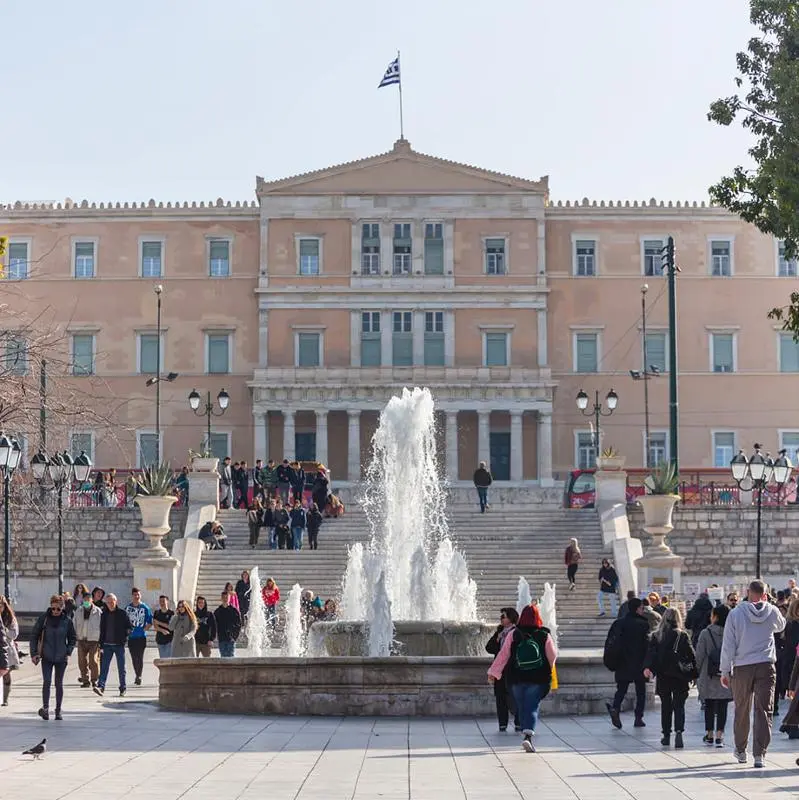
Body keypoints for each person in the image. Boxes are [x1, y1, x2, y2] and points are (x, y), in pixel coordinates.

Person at [721, 579, 786, 767]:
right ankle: (760, 754)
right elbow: (781, 626)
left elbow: (728, 645)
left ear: (748, 592)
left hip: (742, 666)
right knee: (764, 710)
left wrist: (725, 670)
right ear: (765, 593)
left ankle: (741, 750)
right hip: (766, 665)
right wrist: (769, 604)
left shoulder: (735, 614)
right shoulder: (772, 611)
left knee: (742, 709)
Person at [487, 604, 557, 753]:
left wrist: (494, 672)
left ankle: (524, 730)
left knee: (522, 706)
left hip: (516, 678)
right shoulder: (544, 634)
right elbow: (552, 655)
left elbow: (503, 655)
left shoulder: (514, 634)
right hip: (538, 678)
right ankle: (527, 735)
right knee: (532, 706)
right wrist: (548, 670)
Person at [644, 607, 697, 748]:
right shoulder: (683, 635)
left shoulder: (656, 636)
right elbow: (692, 656)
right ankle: (679, 732)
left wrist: (648, 668)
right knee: (679, 706)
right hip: (679, 676)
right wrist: (694, 675)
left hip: (663, 676)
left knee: (666, 706)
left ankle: (666, 735)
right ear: (678, 619)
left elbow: (652, 655)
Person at [605, 597, 650, 729]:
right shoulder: (643, 624)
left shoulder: (619, 623)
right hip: (639, 663)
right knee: (641, 691)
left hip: (622, 662)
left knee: (621, 689)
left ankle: (615, 708)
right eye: (642, 608)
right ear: (637, 609)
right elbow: (647, 646)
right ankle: (638, 717)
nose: (643, 610)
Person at [30, 594, 77, 720]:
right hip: (47, 656)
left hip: (62, 657)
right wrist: (34, 653)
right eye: (53, 608)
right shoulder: (44, 619)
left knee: (59, 683)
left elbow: (73, 638)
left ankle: (58, 710)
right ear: (50, 607)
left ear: (62, 608)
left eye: (58, 609)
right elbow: (34, 636)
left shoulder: (67, 621)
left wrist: (68, 651)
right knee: (47, 682)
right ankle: (45, 709)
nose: (55, 611)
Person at [695, 603, 733, 747]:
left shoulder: (706, 633)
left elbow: (699, 655)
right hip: (725, 674)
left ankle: (709, 734)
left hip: (708, 674)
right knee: (722, 705)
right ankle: (720, 736)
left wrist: (695, 672)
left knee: (709, 704)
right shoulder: (732, 632)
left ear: (715, 616)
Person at [485, 607, 520, 732]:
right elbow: (488, 648)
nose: (501, 619)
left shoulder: (517, 632)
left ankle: (518, 722)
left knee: (514, 696)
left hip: (512, 669)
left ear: (511, 618)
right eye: (501, 617)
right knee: (500, 696)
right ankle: (502, 723)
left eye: (503, 616)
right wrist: (498, 640)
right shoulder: (499, 632)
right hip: (500, 669)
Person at [94, 593, 132, 697]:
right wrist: (100, 644)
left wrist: (126, 635)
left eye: (112, 602)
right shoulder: (104, 614)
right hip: (106, 645)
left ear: (116, 602)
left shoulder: (122, 613)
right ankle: (101, 686)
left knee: (121, 668)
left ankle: (123, 687)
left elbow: (129, 627)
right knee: (104, 667)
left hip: (119, 644)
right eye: (108, 602)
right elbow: (102, 630)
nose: (110, 604)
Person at [125, 587, 152, 687]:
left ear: (140, 596)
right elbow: (124, 621)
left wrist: (144, 629)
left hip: (141, 637)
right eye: (135, 595)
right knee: (133, 657)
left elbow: (150, 621)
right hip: (131, 637)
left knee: (139, 657)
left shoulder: (145, 608)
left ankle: (139, 676)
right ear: (132, 596)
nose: (136, 597)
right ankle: (137, 673)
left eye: (138, 595)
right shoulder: (128, 608)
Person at [74, 591, 102, 688]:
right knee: (82, 661)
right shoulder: (79, 611)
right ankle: (85, 680)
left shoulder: (98, 612)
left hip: (94, 640)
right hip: (81, 639)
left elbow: (102, 626)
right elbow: (74, 623)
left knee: (93, 661)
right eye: (85, 599)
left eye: (88, 599)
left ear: (92, 600)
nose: (86, 601)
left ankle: (94, 679)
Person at [0, 595, 20, 705]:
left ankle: (5, 699)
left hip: (6, 649)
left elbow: (14, 634)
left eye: (1, 605)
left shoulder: (10, 618)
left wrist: (4, 630)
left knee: (6, 673)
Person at [214, 591, 242, 658]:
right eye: (223, 597)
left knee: (231, 658)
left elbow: (239, 624)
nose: (225, 599)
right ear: (221, 598)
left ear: (229, 598)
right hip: (221, 639)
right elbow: (214, 625)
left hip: (231, 639)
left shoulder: (234, 610)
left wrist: (235, 636)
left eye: (227, 597)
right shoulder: (217, 611)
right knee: (223, 658)